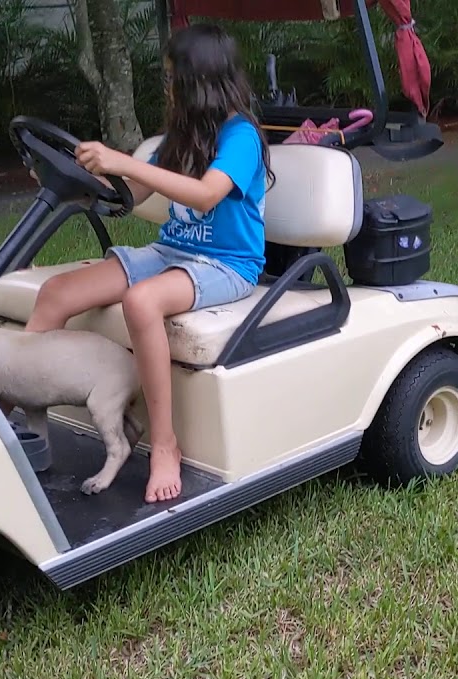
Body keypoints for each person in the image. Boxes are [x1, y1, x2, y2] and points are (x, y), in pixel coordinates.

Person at [22, 23, 274, 504]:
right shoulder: (180, 138)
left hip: (227, 264)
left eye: (172, 78)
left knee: (141, 302)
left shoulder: (240, 135)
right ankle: (6, 412)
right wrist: (77, 177)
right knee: (57, 294)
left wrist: (125, 160)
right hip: (172, 254)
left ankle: (165, 443)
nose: (168, 88)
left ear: (198, 82)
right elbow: (129, 194)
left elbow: (205, 193)